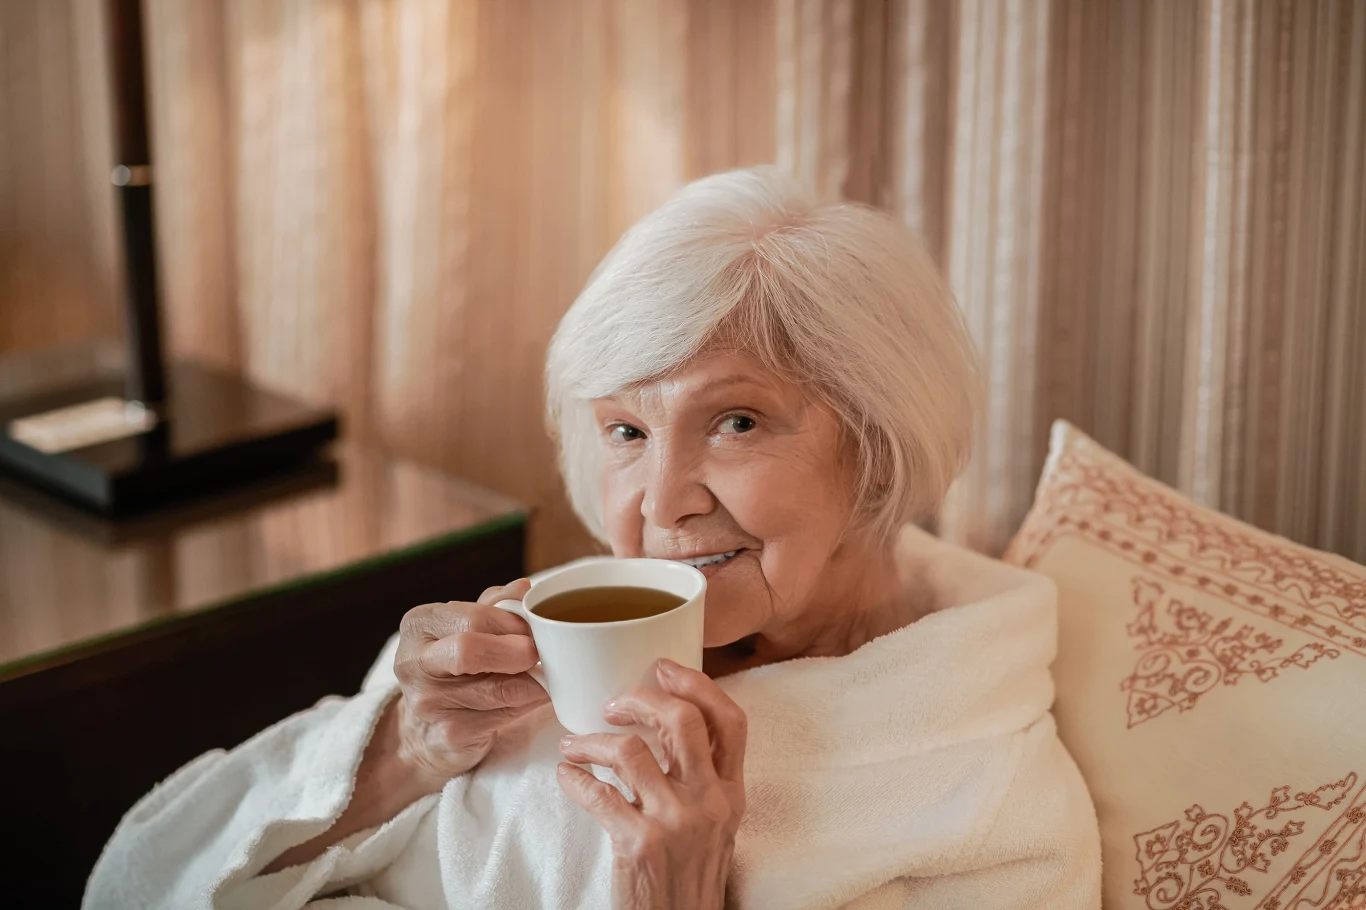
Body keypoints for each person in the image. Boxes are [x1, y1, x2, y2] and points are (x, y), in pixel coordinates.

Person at [86, 166, 1101, 909]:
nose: (660, 504)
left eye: (735, 421)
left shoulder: (990, 801)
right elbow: (137, 880)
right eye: (625, 430)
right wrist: (405, 748)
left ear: (878, 447)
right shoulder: (548, 633)